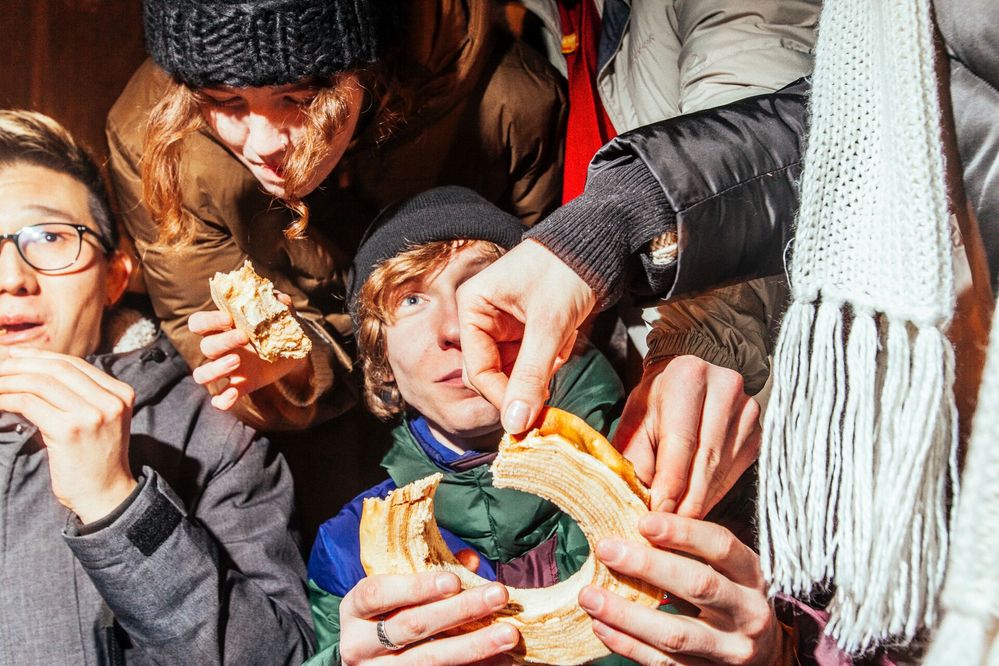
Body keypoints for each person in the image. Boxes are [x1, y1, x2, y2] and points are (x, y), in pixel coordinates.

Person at [305, 187, 794, 665]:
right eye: (411, 300)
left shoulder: (678, 451)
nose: (455, 328)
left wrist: (777, 653)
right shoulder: (349, 550)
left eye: (481, 282)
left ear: (543, 313)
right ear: (380, 360)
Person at [106, 0, 567, 431]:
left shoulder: (512, 104)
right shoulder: (151, 140)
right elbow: (196, 308)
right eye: (225, 102)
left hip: (492, 394)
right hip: (318, 427)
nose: (263, 144)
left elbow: (555, 295)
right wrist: (292, 369)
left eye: (300, 98)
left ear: (366, 65)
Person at [460, 0, 817, 517]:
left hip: (794, 368)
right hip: (645, 341)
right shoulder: (539, 22)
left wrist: (699, 338)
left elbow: (759, 117)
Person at [0, 109, 313, 663]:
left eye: (49, 236)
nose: (11, 278)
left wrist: (115, 505)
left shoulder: (214, 432)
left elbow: (281, 658)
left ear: (115, 275)